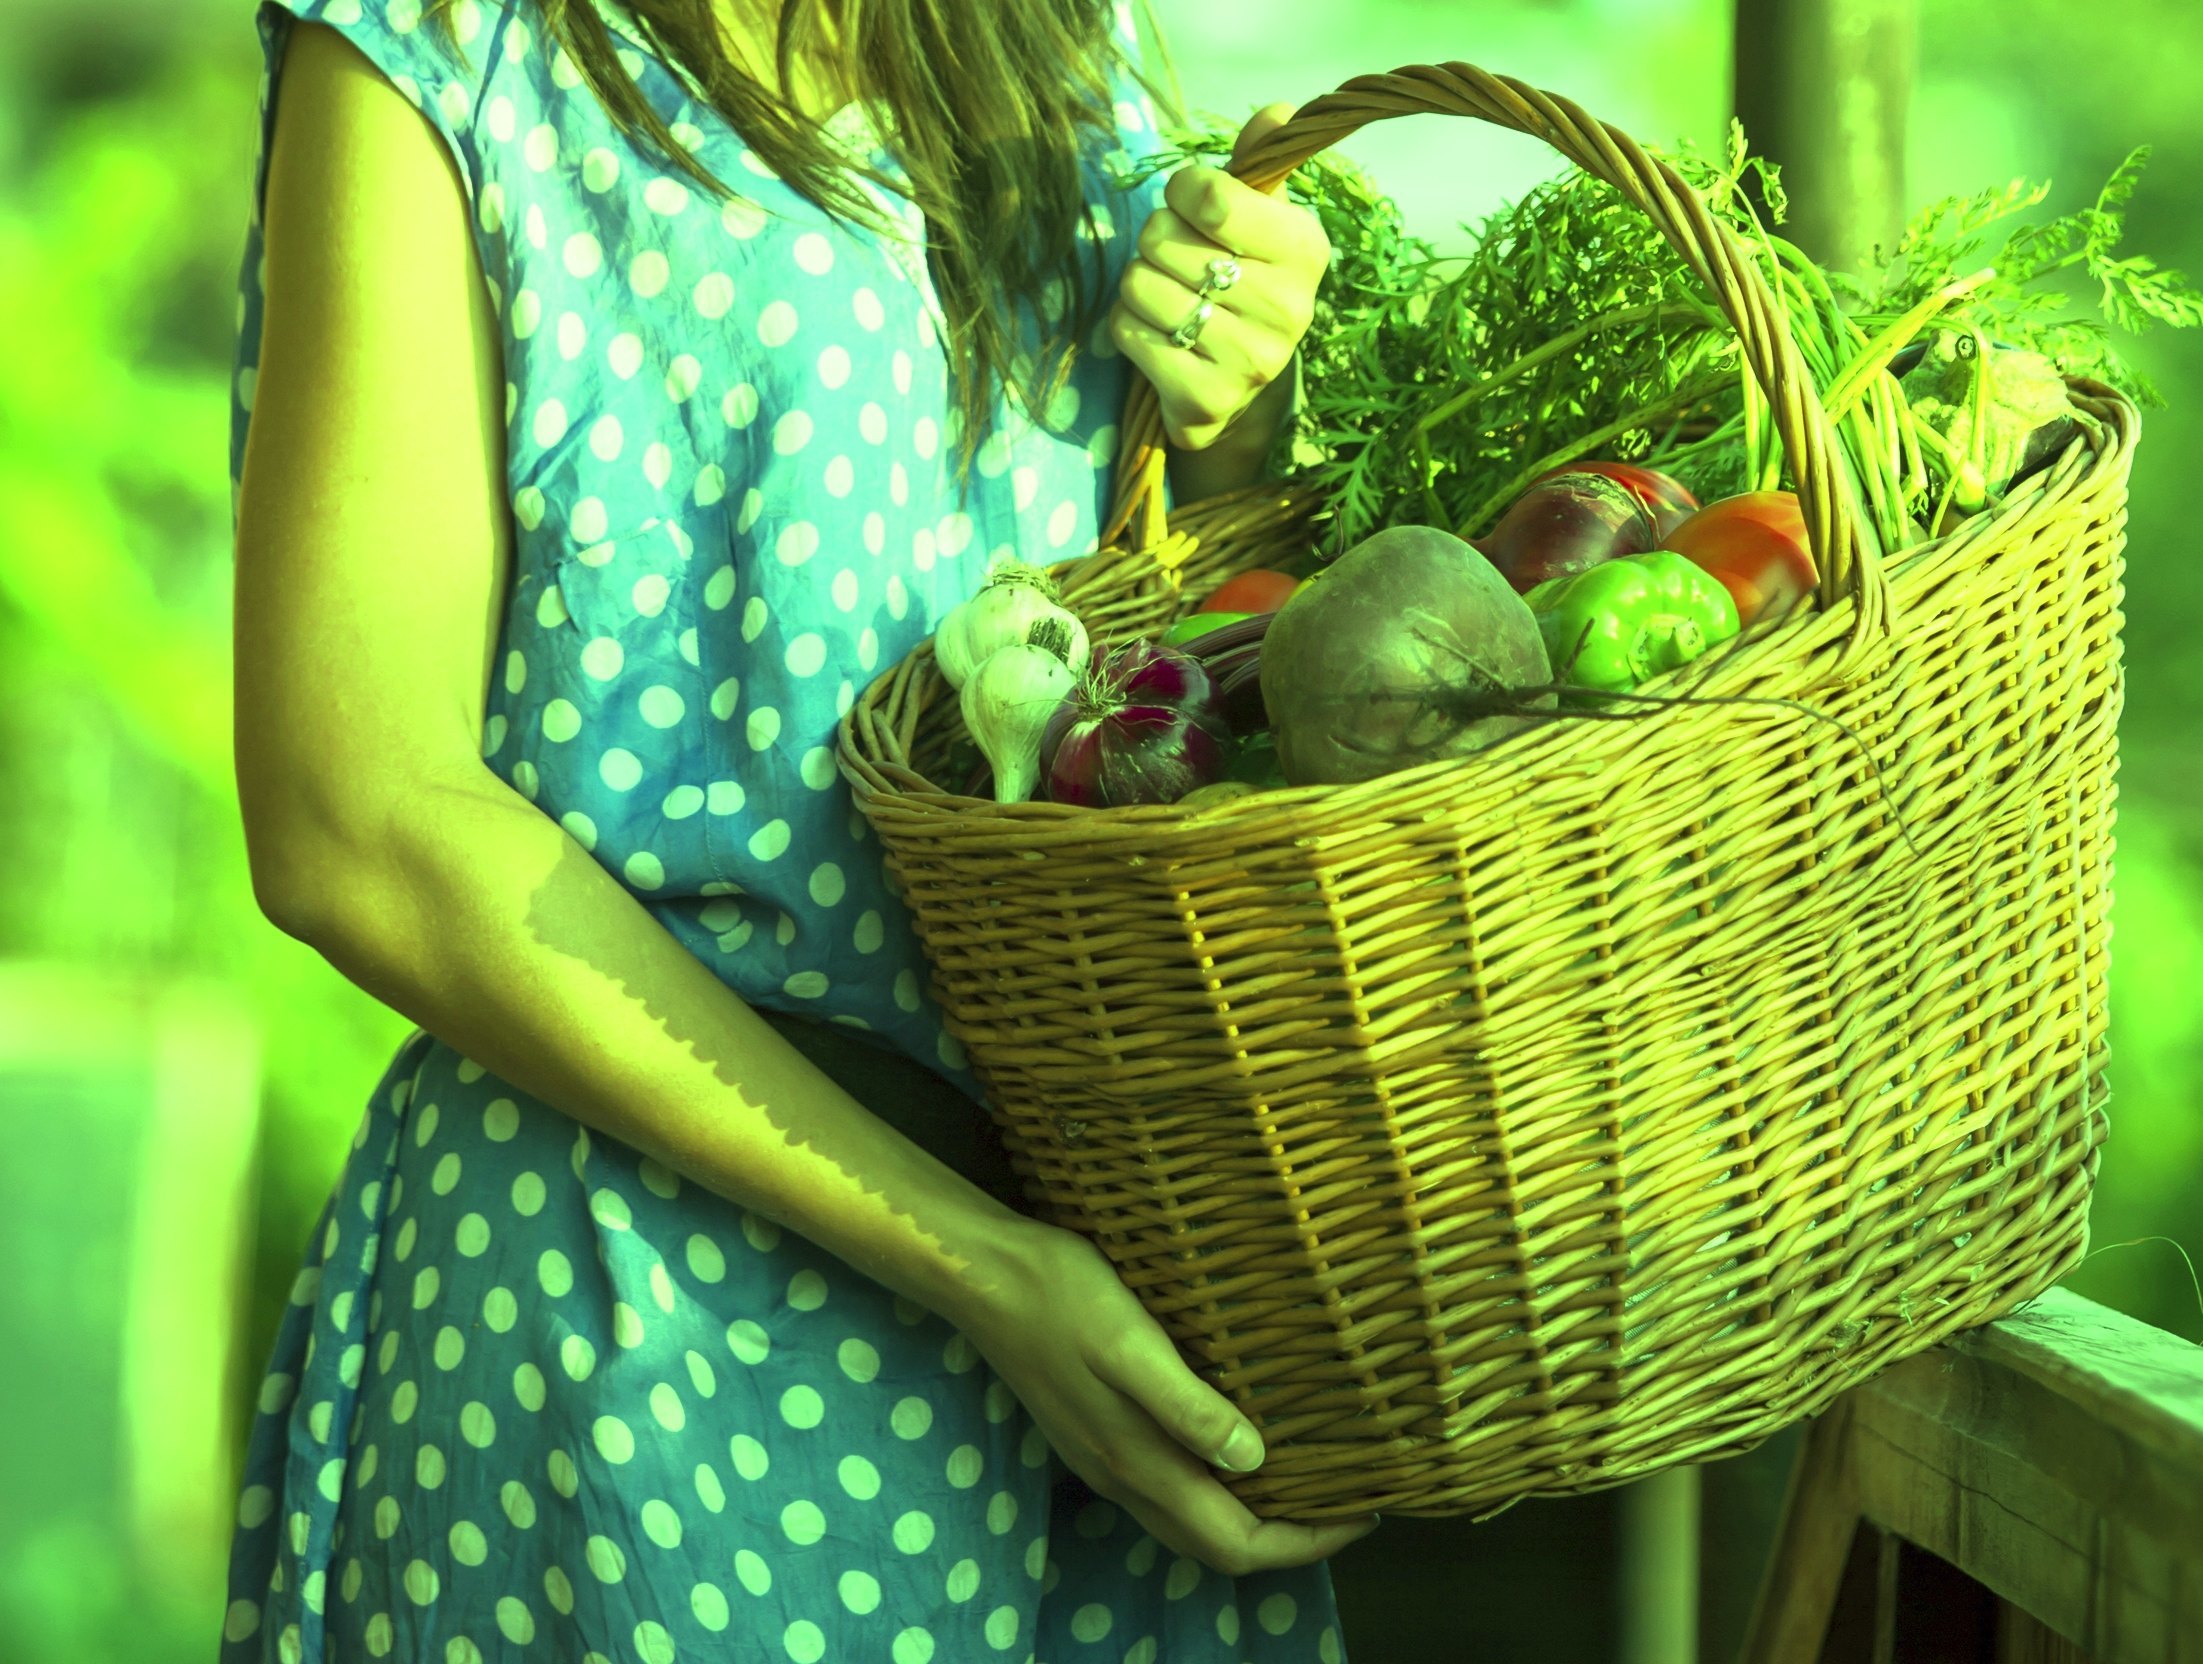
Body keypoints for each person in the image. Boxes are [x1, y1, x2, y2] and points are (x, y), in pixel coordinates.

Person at [217, 0, 1360, 1657]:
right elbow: (355, 809)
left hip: (1104, 1353)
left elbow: (1119, 639)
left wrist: (1232, 386)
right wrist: (976, 1264)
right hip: (643, 1331)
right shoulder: (444, 45)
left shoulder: (1048, 45)